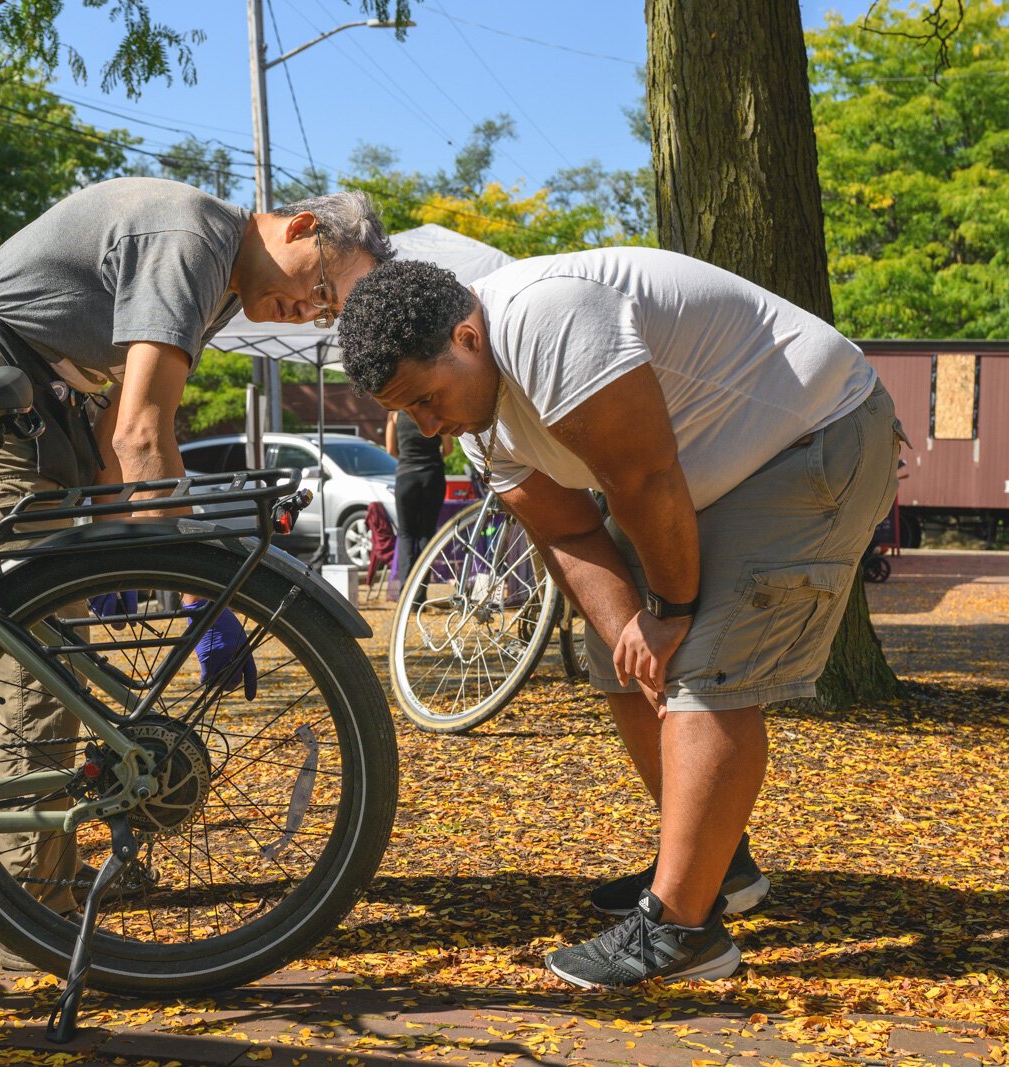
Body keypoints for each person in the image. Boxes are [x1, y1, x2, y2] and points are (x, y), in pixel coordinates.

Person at [336, 250, 903, 988]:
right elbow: (569, 531)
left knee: (707, 667)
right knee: (620, 656)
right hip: (710, 472)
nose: (427, 425)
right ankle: (714, 865)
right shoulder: (478, 425)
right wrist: (634, 628)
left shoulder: (548, 320)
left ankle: (684, 931)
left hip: (814, 433)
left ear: (467, 338)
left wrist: (668, 611)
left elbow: (642, 476)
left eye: (426, 397)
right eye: (408, 410)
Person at [0, 178, 393, 969]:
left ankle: (47, 865)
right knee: (30, 647)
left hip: (44, 396)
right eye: (323, 289)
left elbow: (110, 431)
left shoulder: (225, 285)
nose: (312, 313)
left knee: (59, 639)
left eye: (326, 314)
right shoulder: (193, 237)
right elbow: (141, 436)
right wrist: (208, 593)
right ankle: (31, 906)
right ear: (300, 227)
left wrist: (126, 555)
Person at [384, 410, 451, 603]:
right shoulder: (437, 412)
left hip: (406, 475)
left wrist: (408, 458)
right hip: (433, 475)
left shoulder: (395, 414)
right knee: (426, 534)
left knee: (405, 534)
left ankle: (406, 595)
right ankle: (420, 595)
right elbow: (448, 449)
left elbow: (390, 449)